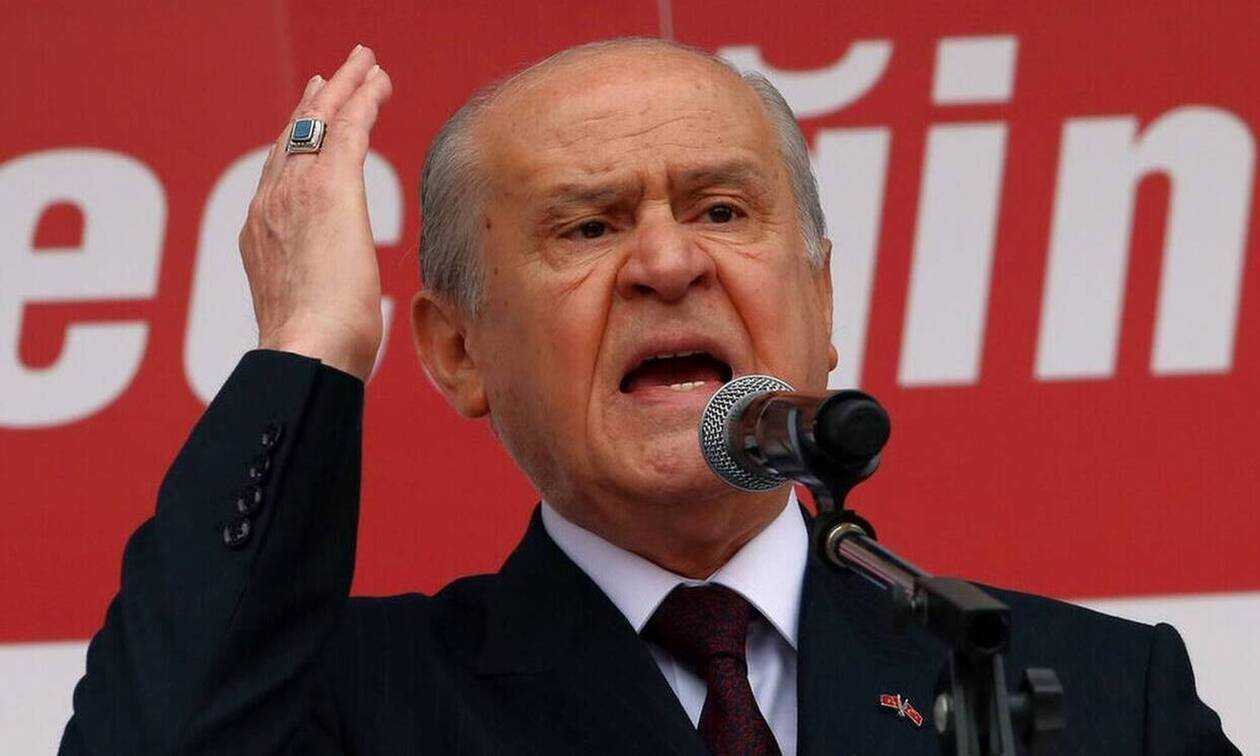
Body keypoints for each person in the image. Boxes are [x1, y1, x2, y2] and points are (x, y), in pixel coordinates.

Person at [60, 38, 1236, 755]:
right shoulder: (354, 701)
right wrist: (308, 347)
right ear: (458, 351)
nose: (669, 263)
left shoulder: (1092, 697)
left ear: (822, 300)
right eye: (589, 226)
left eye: (722, 211)